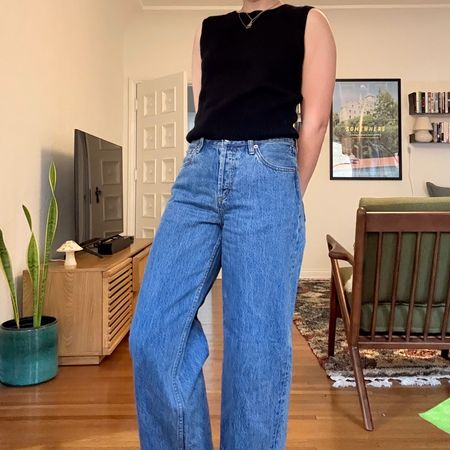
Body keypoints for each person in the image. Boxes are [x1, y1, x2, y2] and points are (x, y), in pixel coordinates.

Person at [129, 1, 336, 448]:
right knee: (153, 333)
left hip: (268, 170)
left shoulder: (309, 22)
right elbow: (206, 105)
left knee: (255, 349)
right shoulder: (208, 30)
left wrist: (282, 194)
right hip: (198, 174)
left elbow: (316, 120)